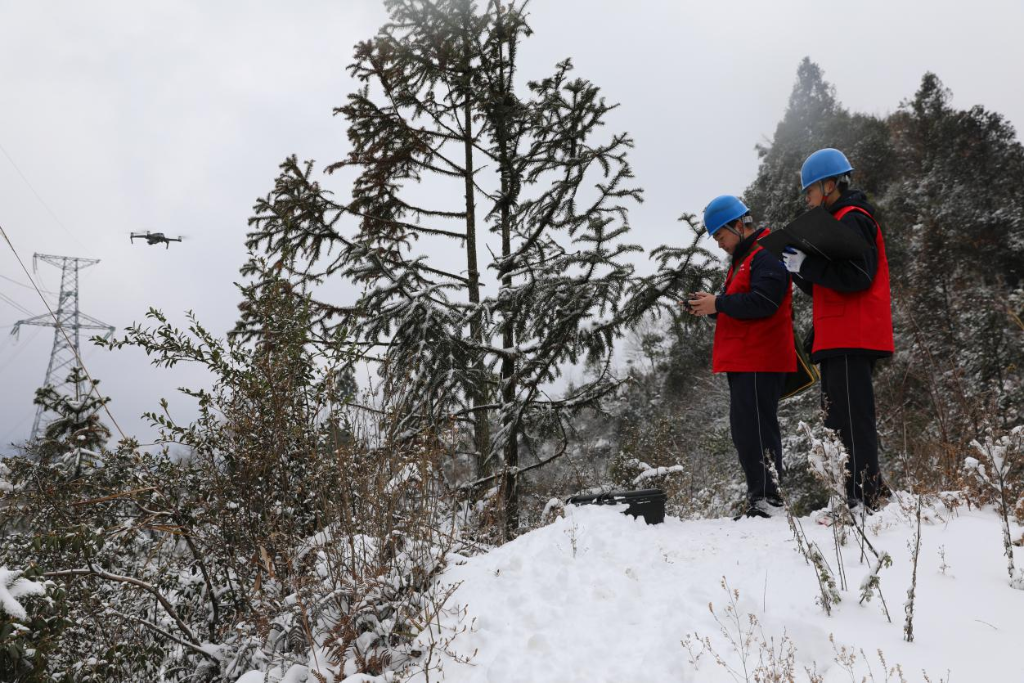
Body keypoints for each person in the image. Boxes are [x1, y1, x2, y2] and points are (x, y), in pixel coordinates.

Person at [782, 148, 894, 509]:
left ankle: (867, 495)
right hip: (837, 335)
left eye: (810, 190)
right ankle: (858, 493)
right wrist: (799, 269)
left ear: (830, 184)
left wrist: (809, 266)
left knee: (852, 415)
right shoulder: (838, 221)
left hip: (853, 335)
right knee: (838, 417)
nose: (808, 198)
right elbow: (826, 285)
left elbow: (858, 277)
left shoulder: (853, 218)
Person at [687, 195, 796, 518]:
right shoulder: (744, 259)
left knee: (757, 430)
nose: (719, 245)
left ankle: (769, 499)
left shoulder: (766, 254)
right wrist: (710, 307)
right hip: (747, 359)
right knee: (745, 431)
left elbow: (764, 301)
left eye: (720, 236)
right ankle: (760, 497)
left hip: (761, 358)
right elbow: (742, 305)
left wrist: (718, 303)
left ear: (738, 225)